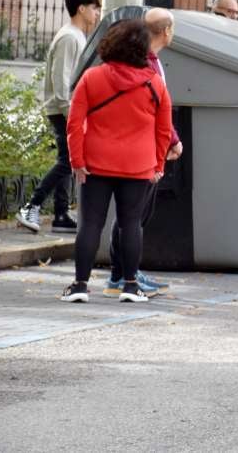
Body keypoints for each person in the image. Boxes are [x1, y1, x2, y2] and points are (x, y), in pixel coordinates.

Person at [60, 19, 172, 304]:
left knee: (90, 225)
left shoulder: (92, 78)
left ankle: (80, 285)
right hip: (138, 165)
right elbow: (163, 129)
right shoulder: (154, 83)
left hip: (95, 163)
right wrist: (158, 164)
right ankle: (131, 286)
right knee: (131, 224)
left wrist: (77, 160)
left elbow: (74, 124)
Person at [104, 9, 183, 297]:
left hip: (149, 146)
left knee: (137, 215)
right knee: (132, 215)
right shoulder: (146, 63)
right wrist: (173, 139)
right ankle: (120, 275)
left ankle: (128, 271)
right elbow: (155, 105)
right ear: (166, 31)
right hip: (145, 148)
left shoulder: (150, 60)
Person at [17, 0, 102, 234]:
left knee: (67, 160)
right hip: (64, 109)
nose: (97, 13)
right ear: (81, 9)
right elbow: (61, 80)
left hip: (68, 109)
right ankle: (30, 205)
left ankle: (61, 214)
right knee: (68, 161)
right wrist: (72, 113)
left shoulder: (76, 35)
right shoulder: (68, 37)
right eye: (94, 8)